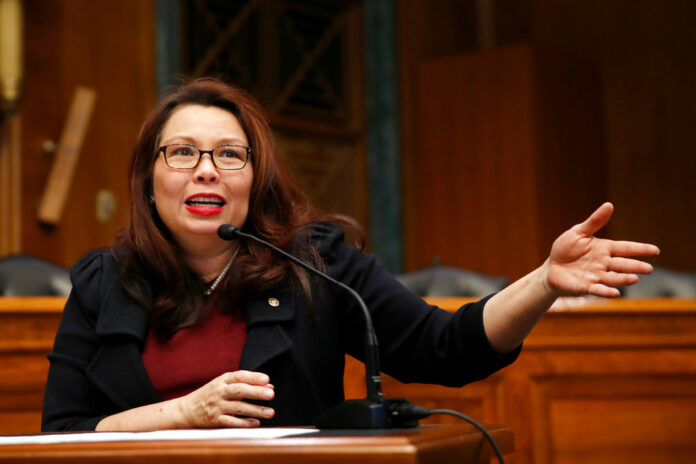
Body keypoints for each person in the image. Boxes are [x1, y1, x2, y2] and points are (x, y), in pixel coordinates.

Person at [41, 78, 659, 432]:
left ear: (255, 180)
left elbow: (447, 348)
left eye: (230, 155)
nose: (207, 171)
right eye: (182, 153)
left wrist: (544, 281)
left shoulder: (317, 264)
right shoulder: (102, 285)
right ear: (149, 179)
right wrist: (183, 413)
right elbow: (59, 438)